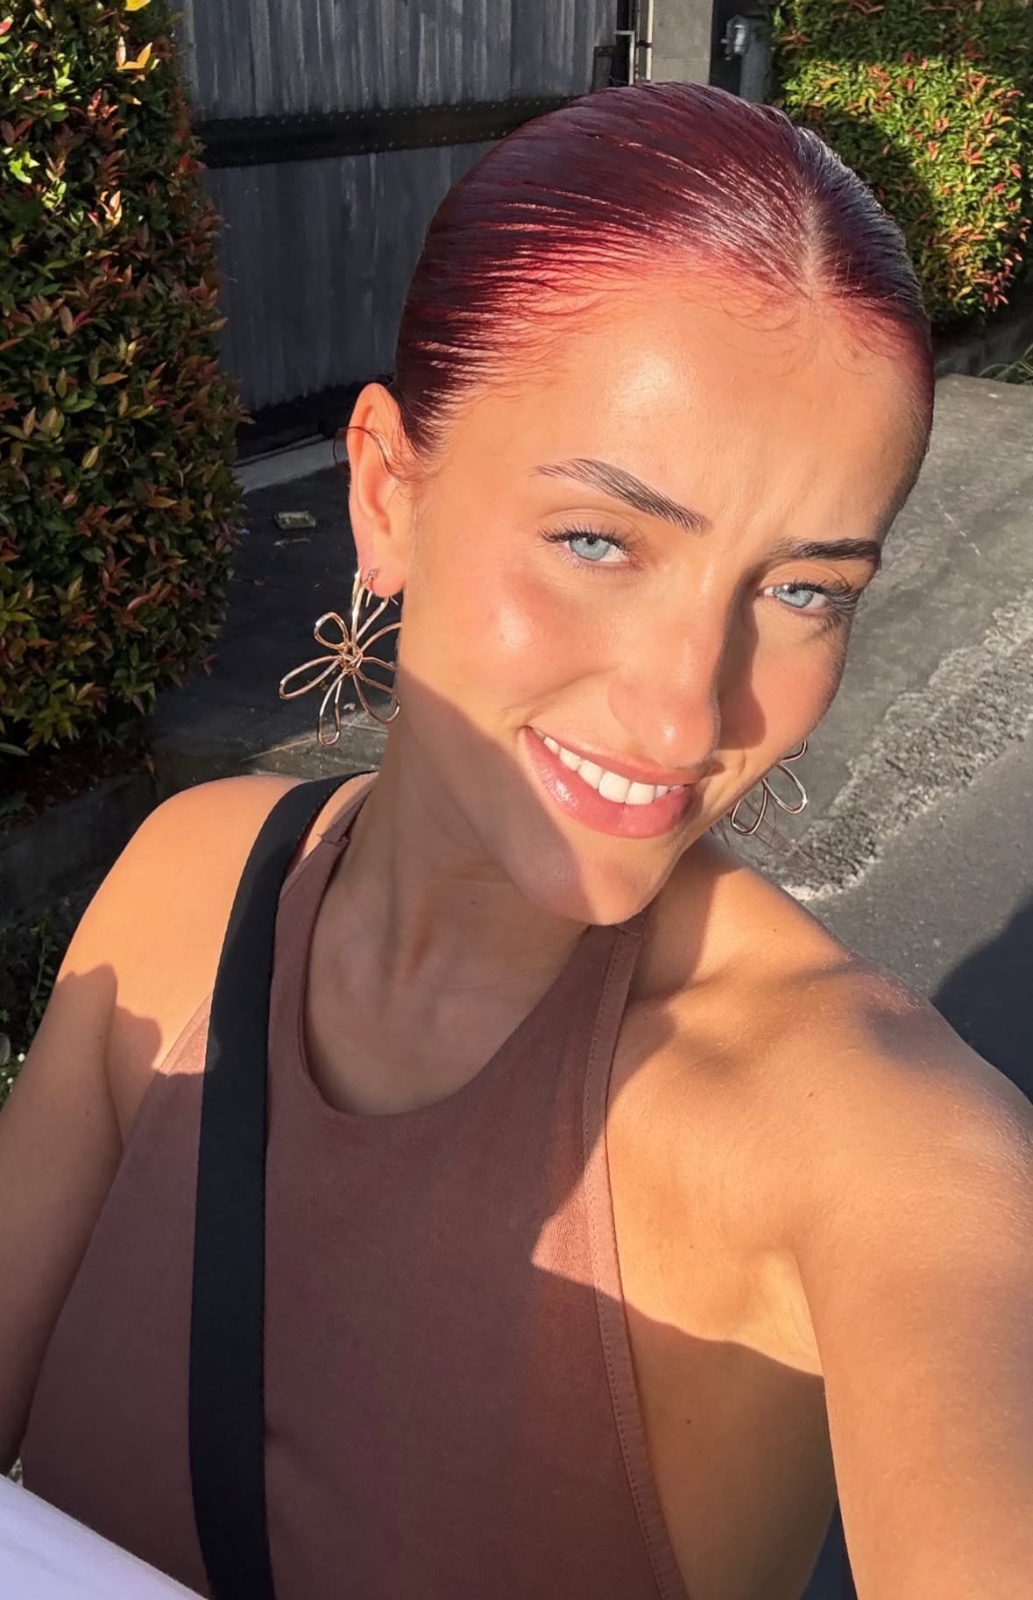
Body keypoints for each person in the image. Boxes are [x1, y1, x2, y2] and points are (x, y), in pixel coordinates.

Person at [1, 81, 1031, 1600]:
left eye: (805, 589)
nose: (686, 713)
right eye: (597, 540)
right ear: (387, 493)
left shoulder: (870, 1139)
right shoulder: (184, 886)